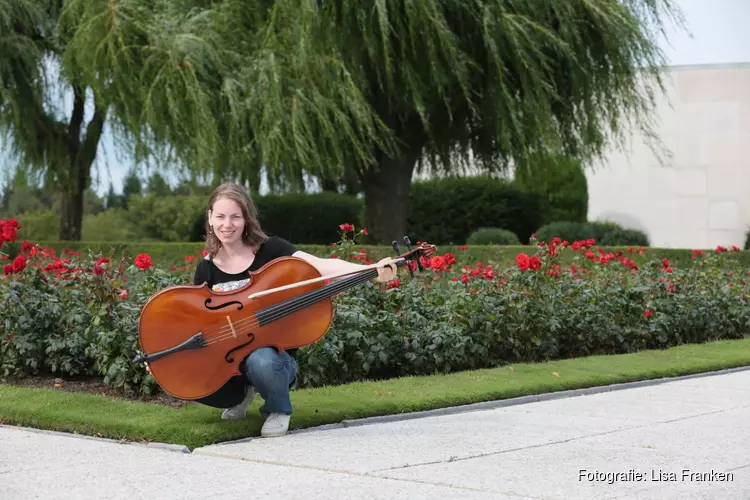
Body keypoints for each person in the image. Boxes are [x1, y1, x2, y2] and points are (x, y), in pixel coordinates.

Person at [148, 182, 397, 438]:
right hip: (230, 355)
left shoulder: (272, 250)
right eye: (220, 216)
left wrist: (370, 271)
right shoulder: (207, 268)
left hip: (274, 358)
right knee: (183, 379)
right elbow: (197, 322)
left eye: (235, 216)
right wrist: (169, 354)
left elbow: (319, 265)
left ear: (246, 218)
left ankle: (278, 410)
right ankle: (241, 395)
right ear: (210, 218)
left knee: (262, 360)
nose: (227, 224)